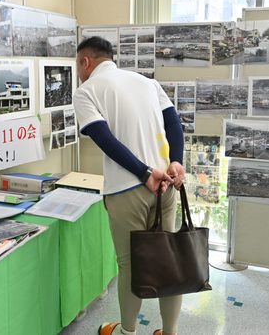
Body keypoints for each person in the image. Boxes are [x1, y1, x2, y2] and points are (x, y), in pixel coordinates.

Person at [73, 36, 186, 335]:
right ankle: (170, 331)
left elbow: (104, 138)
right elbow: (174, 124)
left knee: (129, 266)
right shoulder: (146, 82)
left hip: (128, 188)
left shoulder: (86, 91)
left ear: (85, 62)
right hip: (166, 184)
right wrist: (175, 162)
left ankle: (127, 331)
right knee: (168, 258)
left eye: (78, 65)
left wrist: (143, 172)